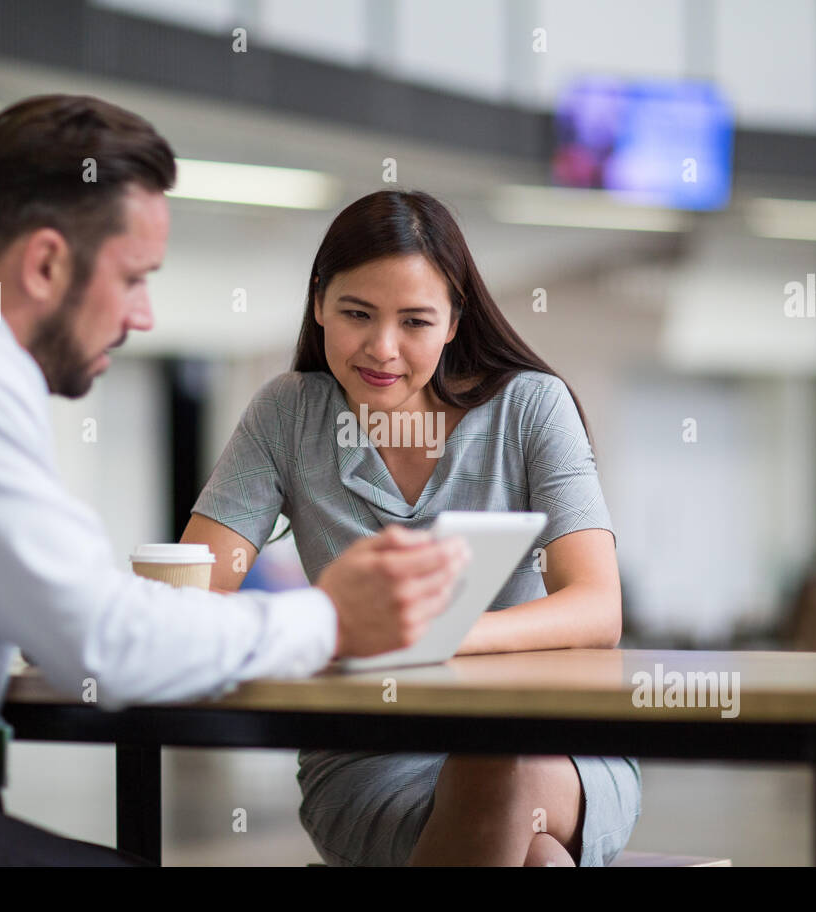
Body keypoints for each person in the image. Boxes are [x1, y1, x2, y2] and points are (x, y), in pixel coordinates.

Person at [0, 96, 467, 866]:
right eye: (133, 278)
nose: (144, 315)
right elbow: (102, 643)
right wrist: (329, 619)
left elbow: (69, 617)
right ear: (47, 263)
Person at [182, 190, 641, 866]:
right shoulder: (288, 414)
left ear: (454, 321)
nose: (382, 349)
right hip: (371, 751)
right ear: (318, 304)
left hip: (545, 741)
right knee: (537, 857)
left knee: (497, 751)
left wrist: (439, 637)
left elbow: (599, 608)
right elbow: (195, 592)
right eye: (357, 314)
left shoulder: (529, 408)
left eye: (415, 322)